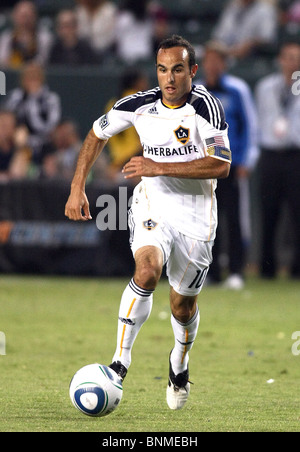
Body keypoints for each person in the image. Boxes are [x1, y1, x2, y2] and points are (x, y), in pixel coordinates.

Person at [65, 35, 231, 410]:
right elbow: (96, 134)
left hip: (196, 217)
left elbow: (221, 164)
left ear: (193, 71)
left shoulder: (206, 107)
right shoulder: (139, 105)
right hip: (152, 205)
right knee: (147, 270)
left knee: (182, 307)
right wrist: (77, 187)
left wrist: (156, 166)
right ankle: (119, 364)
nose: (168, 78)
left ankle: (179, 363)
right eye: (161, 69)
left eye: (176, 69)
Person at [200, 41, 259, 289]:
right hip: (203, 166)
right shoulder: (196, 91)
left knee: (234, 219)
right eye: (208, 60)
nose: (212, 65)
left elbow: (251, 127)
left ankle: (236, 271)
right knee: (205, 221)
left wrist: (247, 160)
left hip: (231, 164)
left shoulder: (237, 89)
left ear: (224, 63)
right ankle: (210, 273)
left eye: (217, 60)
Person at [255, 40, 300, 278]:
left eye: (296, 57)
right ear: (281, 59)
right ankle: (266, 268)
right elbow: (258, 120)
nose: (292, 61)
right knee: (269, 212)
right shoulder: (265, 87)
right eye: (288, 56)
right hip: (271, 154)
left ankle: (296, 269)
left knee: (297, 214)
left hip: (296, 155)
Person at [4, 61, 61, 163]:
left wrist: (32, 103)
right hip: (18, 143)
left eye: (34, 78)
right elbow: (6, 120)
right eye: (28, 78)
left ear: (41, 79)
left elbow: (50, 128)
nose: (31, 82)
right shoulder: (16, 97)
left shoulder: (51, 99)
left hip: (45, 144)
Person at [104, 68, 149, 182]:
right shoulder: (140, 100)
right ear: (136, 82)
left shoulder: (111, 103)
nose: (146, 83)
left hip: (115, 163)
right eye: (143, 80)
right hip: (135, 159)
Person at [212, 0, 278, 59]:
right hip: (227, 52)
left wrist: (250, 43)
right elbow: (219, 34)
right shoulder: (232, 8)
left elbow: (267, 37)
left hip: (252, 56)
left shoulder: (266, 10)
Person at [0, 0, 53, 68]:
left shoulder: (44, 38)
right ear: (14, 17)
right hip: (12, 75)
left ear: (35, 17)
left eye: (29, 16)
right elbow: (3, 61)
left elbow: (44, 62)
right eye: (22, 16)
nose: (26, 20)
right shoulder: (7, 37)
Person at [0, 110, 31, 181]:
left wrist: (20, 147)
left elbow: (17, 175)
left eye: (8, 126)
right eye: (2, 125)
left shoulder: (23, 150)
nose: (4, 130)